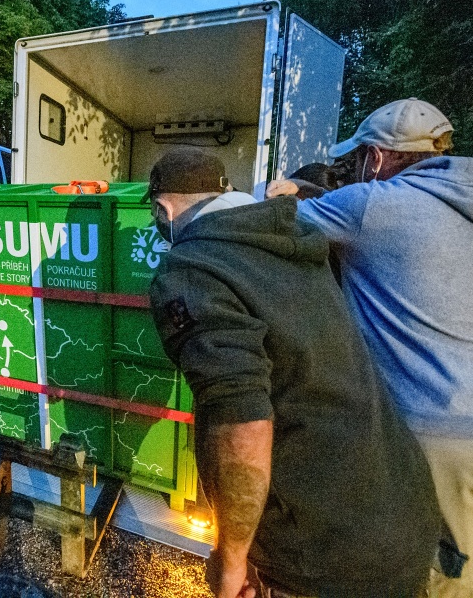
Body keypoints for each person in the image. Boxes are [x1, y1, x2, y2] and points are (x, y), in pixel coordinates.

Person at [267, 98, 473, 597]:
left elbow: (276, 221)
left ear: (380, 157)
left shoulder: (372, 204)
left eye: (364, 156)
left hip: (462, 448)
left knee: (459, 588)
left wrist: (287, 192)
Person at [147, 148, 440, 598]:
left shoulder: (193, 266)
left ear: (163, 210)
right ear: (225, 192)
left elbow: (241, 423)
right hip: (404, 511)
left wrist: (231, 558)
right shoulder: (296, 235)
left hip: (323, 556)